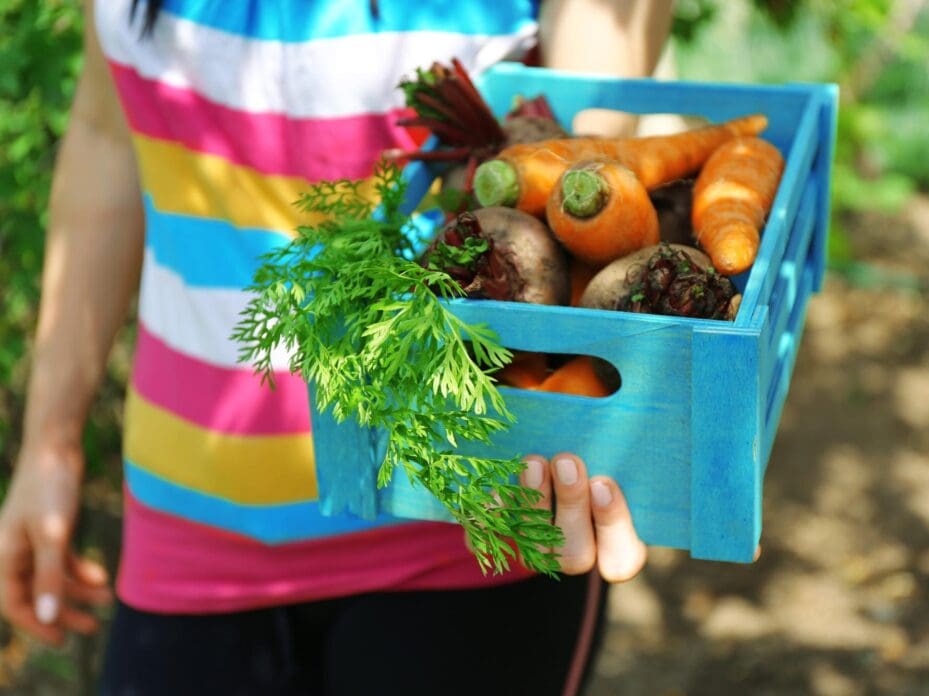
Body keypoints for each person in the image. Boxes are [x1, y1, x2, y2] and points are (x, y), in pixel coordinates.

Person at [0, 1, 672, 693]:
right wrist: (51, 443)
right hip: (189, 521)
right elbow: (106, 137)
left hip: (463, 520)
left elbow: (582, 167)